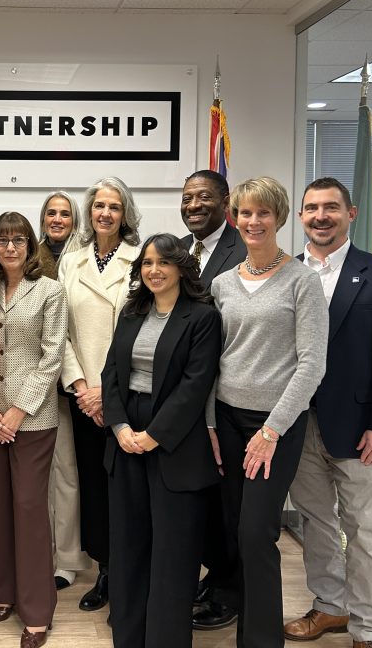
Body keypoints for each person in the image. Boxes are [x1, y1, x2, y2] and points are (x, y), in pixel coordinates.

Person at [283, 178, 372, 648]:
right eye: (312, 208)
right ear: (300, 216)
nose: (321, 216)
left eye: (331, 208)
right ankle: (330, 608)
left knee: (364, 533)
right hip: (298, 426)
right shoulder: (285, 272)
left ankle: (368, 628)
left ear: (351, 214)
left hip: (361, 431)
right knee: (314, 523)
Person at [209, 176, 328, 648]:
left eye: (262, 213)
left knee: (257, 533)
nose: (253, 222)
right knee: (234, 531)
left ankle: (259, 641)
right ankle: (244, 618)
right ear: (234, 218)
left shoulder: (302, 281)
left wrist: (272, 429)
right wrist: (211, 423)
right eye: (244, 213)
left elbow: (312, 363)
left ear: (279, 217)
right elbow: (211, 360)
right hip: (227, 421)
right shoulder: (221, 284)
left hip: (274, 427)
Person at [104, 234, 223, 648]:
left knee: (173, 554)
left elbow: (195, 385)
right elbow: (111, 376)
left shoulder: (202, 316)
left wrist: (154, 435)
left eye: (163, 262)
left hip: (174, 441)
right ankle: (130, 637)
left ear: (180, 267)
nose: (153, 270)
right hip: (126, 438)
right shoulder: (133, 311)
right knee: (129, 547)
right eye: (147, 263)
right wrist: (120, 427)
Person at [0, 212, 68, 648]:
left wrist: (18, 411)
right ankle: (5, 595)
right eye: (2, 240)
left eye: (18, 240)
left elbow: (52, 356)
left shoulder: (50, 291)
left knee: (29, 510)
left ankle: (36, 612)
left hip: (33, 421)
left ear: (30, 246)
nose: (10, 247)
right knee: (2, 507)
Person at [58, 176, 142, 612]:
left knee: (123, 487)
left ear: (125, 213)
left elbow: (137, 333)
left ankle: (129, 572)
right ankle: (105, 571)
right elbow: (60, 332)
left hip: (124, 395)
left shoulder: (140, 260)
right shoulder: (70, 262)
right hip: (82, 394)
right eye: (98, 206)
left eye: (114, 206)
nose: (105, 213)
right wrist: (80, 386)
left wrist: (106, 393)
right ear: (88, 212)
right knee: (92, 484)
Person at [179, 169, 245, 631]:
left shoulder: (242, 251)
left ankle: (229, 589)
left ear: (226, 201)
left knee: (230, 502)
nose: (194, 205)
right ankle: (213, 574)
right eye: (187, 198)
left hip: (227, 396)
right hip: (186, 399)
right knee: (201, 496)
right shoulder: (181, 251)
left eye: (204, 197)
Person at [37, 191, 91, 590]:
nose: (57, 219)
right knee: (42, 477)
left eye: (65, 214)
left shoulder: (83, 257)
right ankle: (42, 549)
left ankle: (69, 557)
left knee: (68, 473)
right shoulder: (28, 253)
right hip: (35, 383)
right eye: (51, 213)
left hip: (76, 381)